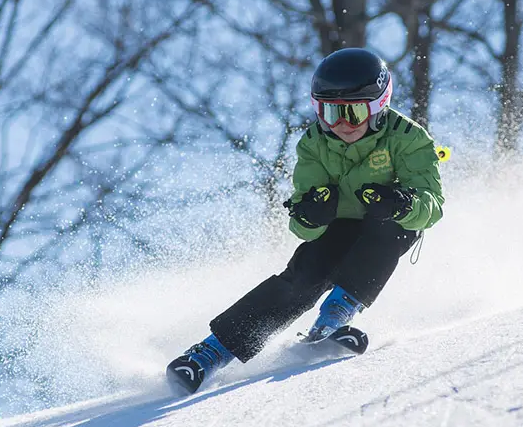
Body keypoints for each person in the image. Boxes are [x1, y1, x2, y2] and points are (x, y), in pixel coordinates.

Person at [166, 48, 445, 394]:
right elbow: (302, 225)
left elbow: (432, 206)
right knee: (305, 275)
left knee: (392, 230)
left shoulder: (408, 137)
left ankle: (333, 318)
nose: (341, 124)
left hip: (386, 223)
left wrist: (403, 204)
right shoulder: (314, 144)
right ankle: (210, 353)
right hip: (338, 226)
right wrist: (311, 214)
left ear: (378, 107)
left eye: (353, 112)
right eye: (329, 112)